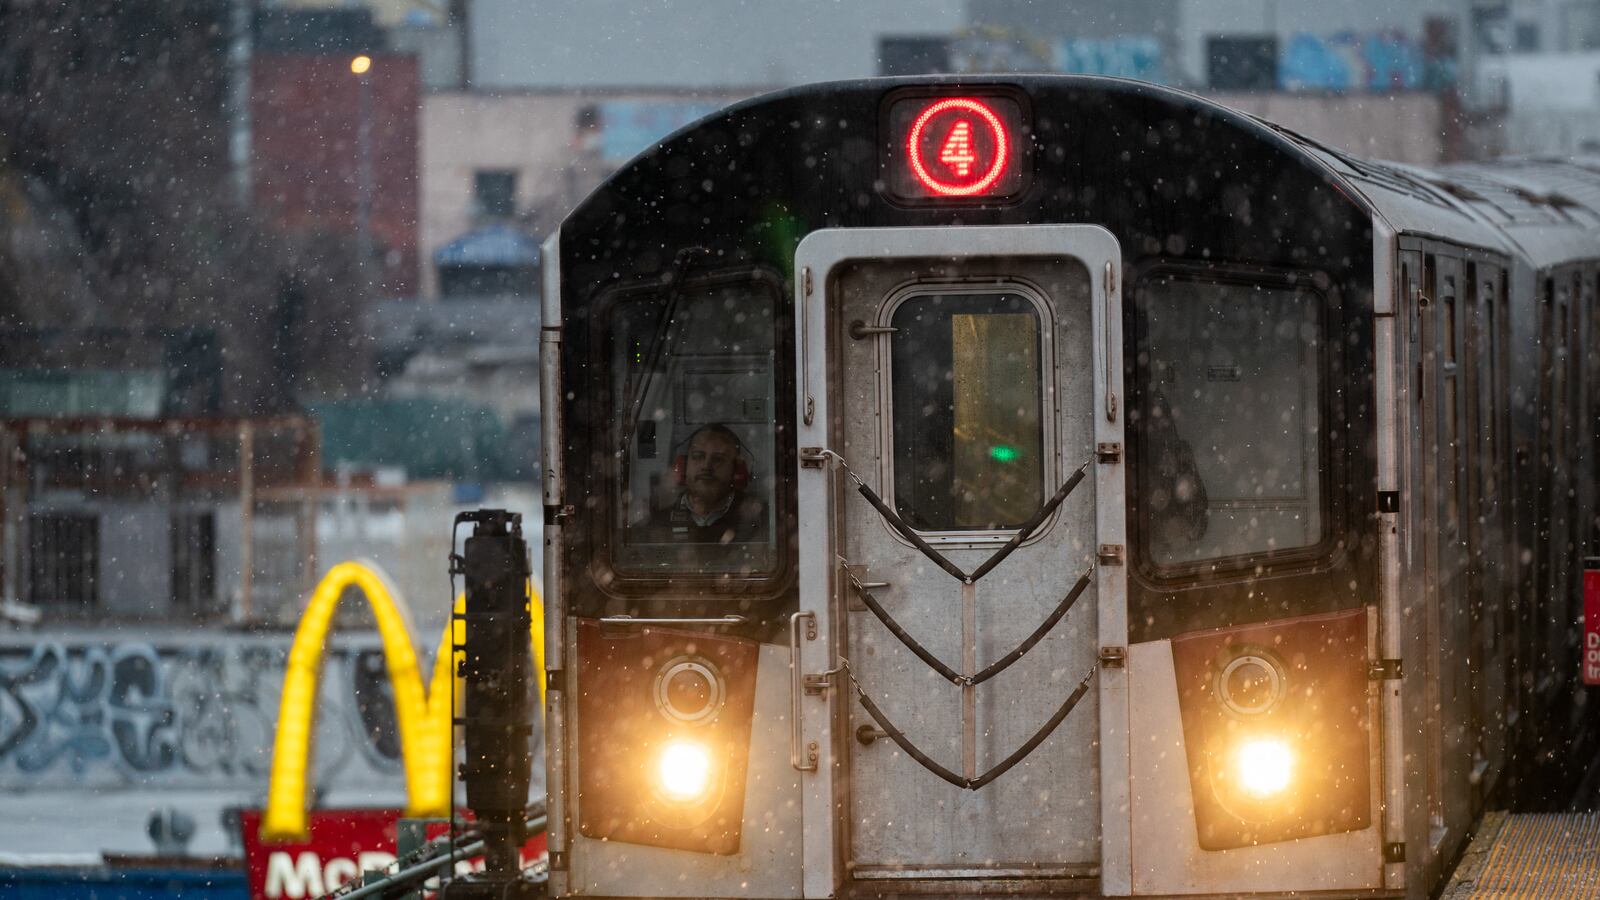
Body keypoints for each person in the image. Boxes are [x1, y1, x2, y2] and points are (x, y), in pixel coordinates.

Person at [650, 424, 768, 544]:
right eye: (697, 456)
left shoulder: (761, 520)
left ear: (736, 470)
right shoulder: (657, 524)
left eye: (718, 459)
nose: (706, 466)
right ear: (683, 466)